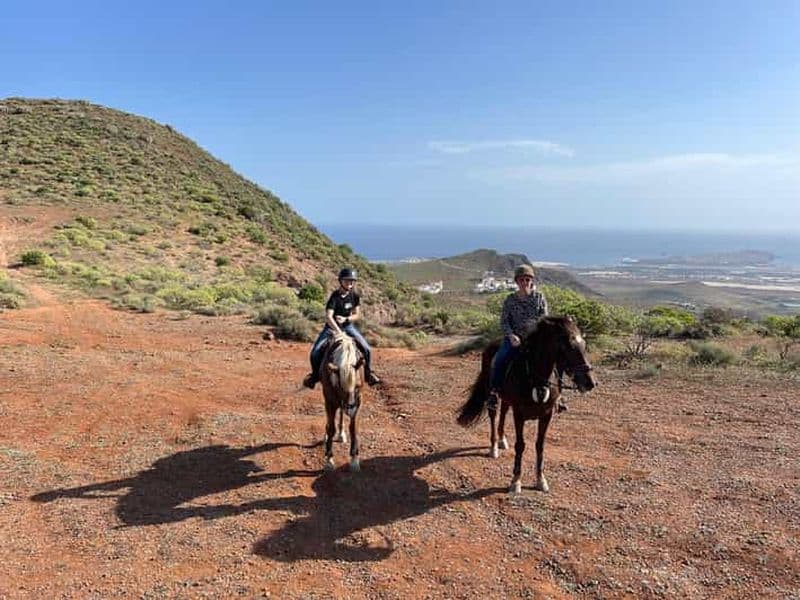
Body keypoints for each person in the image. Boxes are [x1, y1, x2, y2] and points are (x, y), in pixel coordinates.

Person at [302, 267, 381, 389]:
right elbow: (329, 317)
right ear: (341, 281)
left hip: (348, 326)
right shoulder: (335, 296)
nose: (350, 283)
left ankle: (368, 373)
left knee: (367, 348)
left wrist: (346, 319)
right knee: (315, 352)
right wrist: (338, 332)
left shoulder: (354, 296)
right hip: (332, 328)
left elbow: (357, 314)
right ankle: (314, 376)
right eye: (347, 280)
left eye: (352, 281)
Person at [487, 264, 551, 409]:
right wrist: (511, 336)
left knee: (554, 356)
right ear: (517, 282)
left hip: (534, 340)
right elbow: (504, 321)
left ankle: (558, 397)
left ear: (531, 281)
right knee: (500, 359)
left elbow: (544, 319)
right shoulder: (510, 300)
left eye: (527, 279)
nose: (525, 283)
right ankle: (494, 392)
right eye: (521, 280)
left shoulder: (539, 298)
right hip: (514, 339)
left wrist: (538, 337)